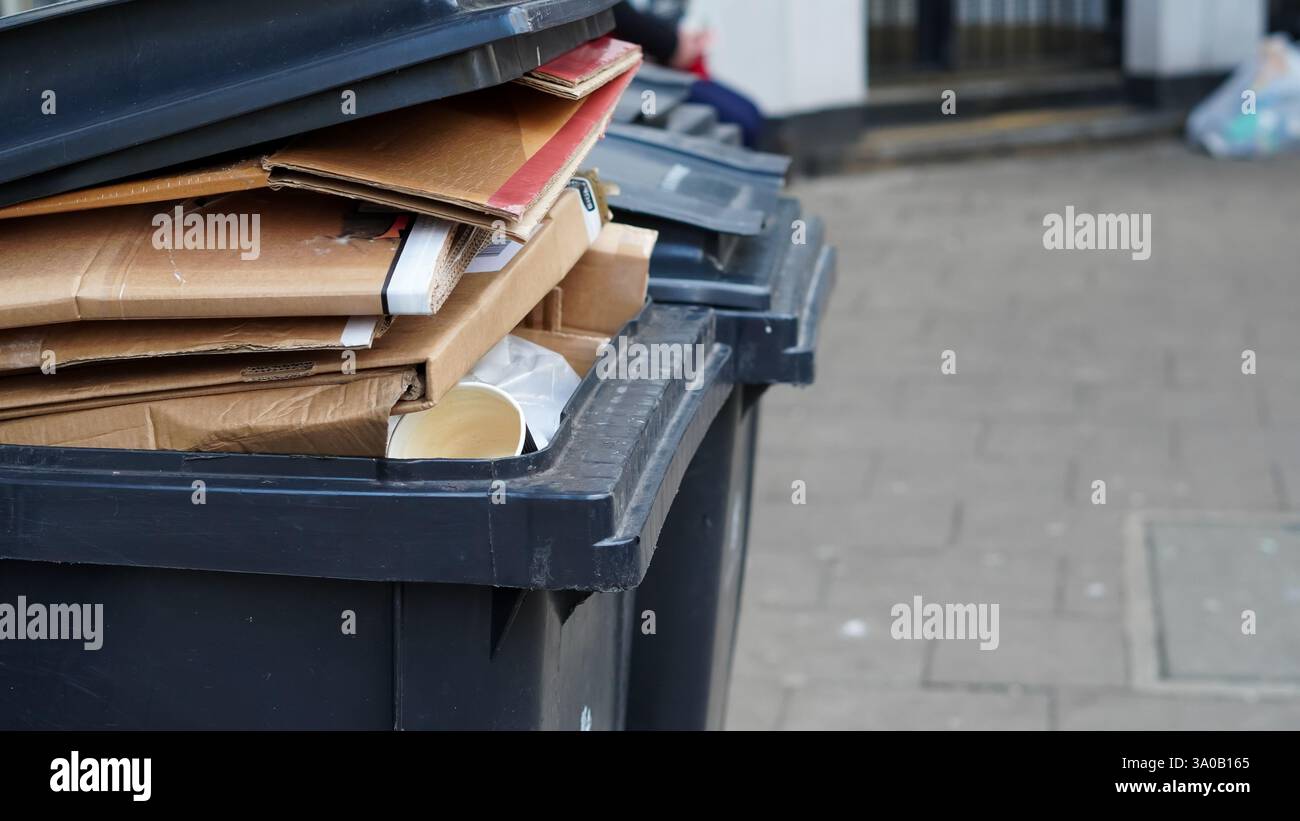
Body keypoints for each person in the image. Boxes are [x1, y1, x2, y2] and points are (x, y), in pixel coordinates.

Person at [612, 1, 766, 148]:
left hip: (655, 56)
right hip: (628, 68)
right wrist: (671, 45)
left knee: (746, 114)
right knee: (741, 119)